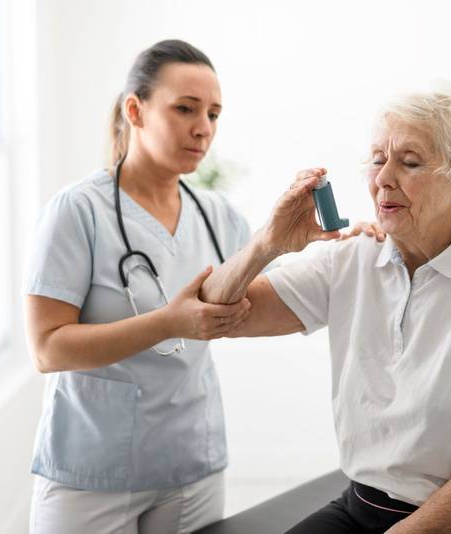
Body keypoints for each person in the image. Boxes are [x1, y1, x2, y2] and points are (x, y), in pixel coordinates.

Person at [23, 38, 380, 534]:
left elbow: (261, 303)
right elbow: (47, 349)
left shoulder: (216, 215)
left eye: (213, 114)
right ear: (135, 110)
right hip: (92, 468)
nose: (203, 128)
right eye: (185, 109)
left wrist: (343, 250)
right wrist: (168, 323)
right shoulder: (77, 211)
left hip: (190, 464)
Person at [198, 85, 451, 533]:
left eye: (410, 162)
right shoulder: (352, 257)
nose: (384, 178)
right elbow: (214, 314)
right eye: (377, 159)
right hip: (365, 507)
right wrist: (268, 242)